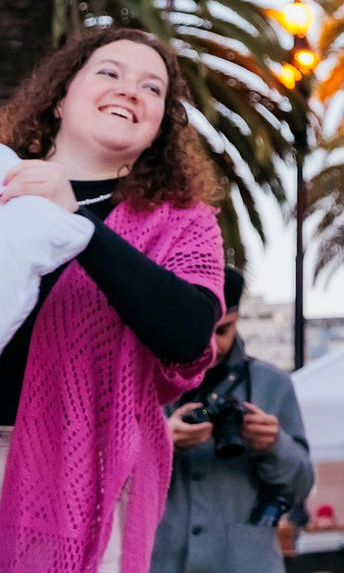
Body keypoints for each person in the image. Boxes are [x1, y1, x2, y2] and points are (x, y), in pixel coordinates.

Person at [0, 29, 228, 572]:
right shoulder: (4, 186)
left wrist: (80, 224)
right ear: (59, 97)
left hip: (89, 471)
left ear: (158, 130)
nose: (130, 90)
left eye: (152, 88)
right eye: (110, 72)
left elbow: (189, 334)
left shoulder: (182, 221)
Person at [154, 266, 316, 572]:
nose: (210, 346)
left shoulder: (273, 384)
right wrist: (162, 442)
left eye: (222, 330)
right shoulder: (141, 383)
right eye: (201, 330)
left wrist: (274, 446)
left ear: (238, 321)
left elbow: (300, 487)